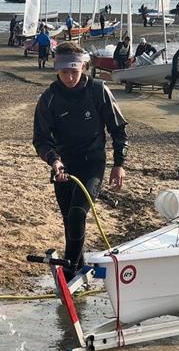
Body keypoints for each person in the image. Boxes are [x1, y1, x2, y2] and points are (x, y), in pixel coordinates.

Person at [33, 41, 128, 281]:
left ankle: (69, 272)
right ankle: (80, 265)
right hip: (63, 165)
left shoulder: (98, 90)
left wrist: (119, 164)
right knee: (69, 220)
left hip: (93, 162)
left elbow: (118, 129)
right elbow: (41, 139)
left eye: (74, 71)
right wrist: (54, 161)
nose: (69, 76)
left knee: (77, 214)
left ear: (84, 67)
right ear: (57, 69)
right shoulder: (49, 98)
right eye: (64, 71)